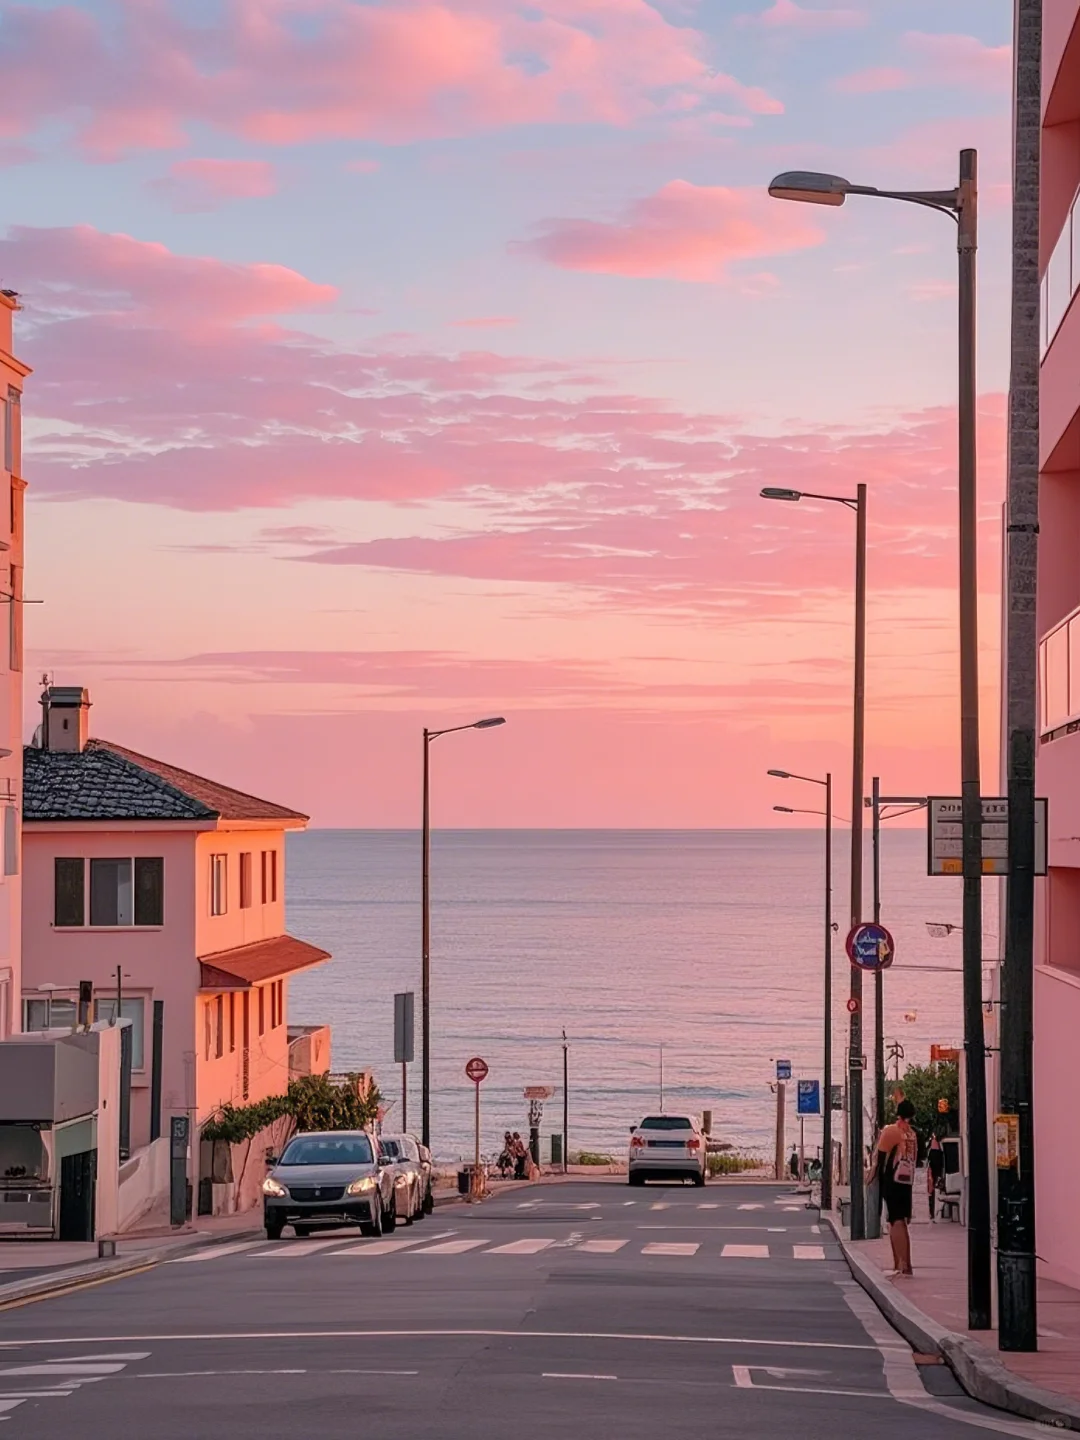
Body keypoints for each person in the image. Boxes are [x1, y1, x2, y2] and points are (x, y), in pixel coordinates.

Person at [869, 1098, 919, 1276]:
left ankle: (901, 1265)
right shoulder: (911, 1134)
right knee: (901, 1221)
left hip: (892, 1181)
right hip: (906, 1182)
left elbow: (880, 1159)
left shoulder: (891, 1131)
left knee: (895, 1221)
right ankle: (905, 1264)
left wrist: (871, 1178)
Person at [927, 1134, 946, 1221]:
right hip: (936, 1174)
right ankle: (933, 1213)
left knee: (933, 1193)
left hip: (935, 1174)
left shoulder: (934, 1153)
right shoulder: (939, 1153)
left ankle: (933, 1213)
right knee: (934, 1193)